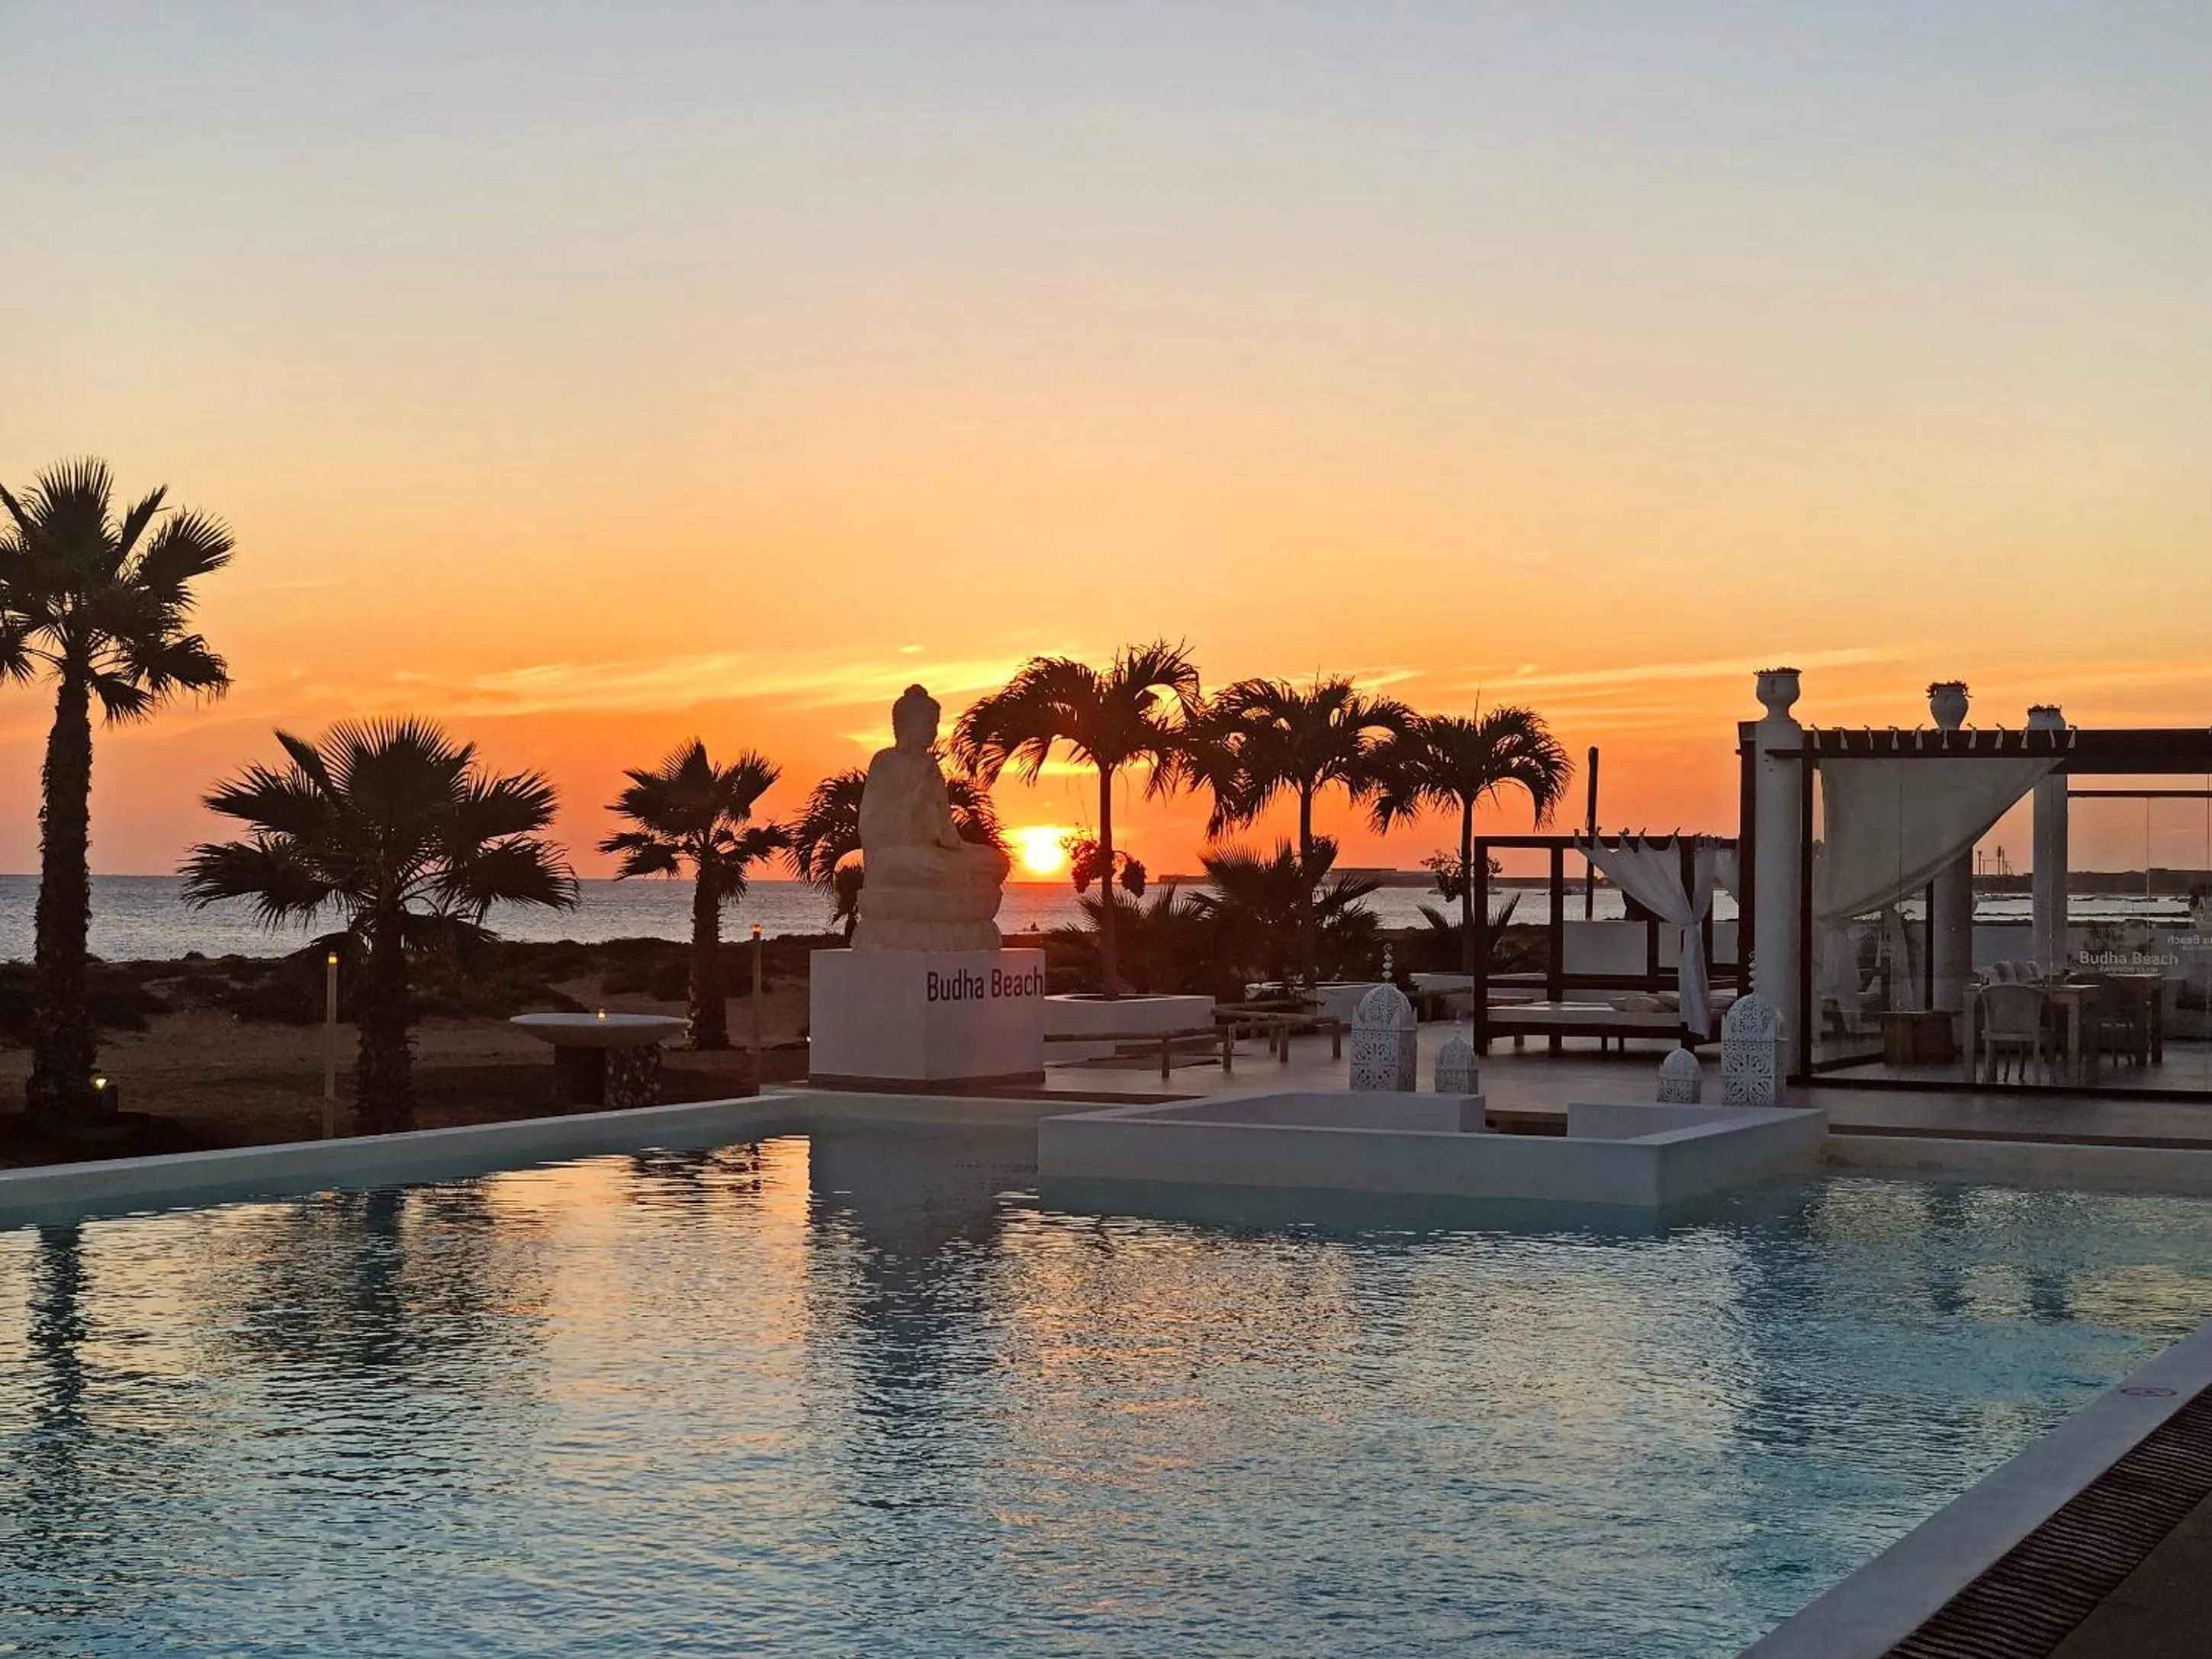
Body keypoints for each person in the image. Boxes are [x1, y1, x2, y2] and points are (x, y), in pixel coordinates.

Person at [853, 685, 1008, 950]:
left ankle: (957, 879)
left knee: (996, 862)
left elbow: (946, 833)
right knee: (933, 867)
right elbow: (872, 829)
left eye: (935, 725)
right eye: (929, 724)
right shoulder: (885, 763)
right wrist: (916, 796)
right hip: (894, 858)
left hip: (934, 855)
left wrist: (954, 846)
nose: (933, 733)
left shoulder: (930, 767)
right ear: (907, 724)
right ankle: (956, 882)